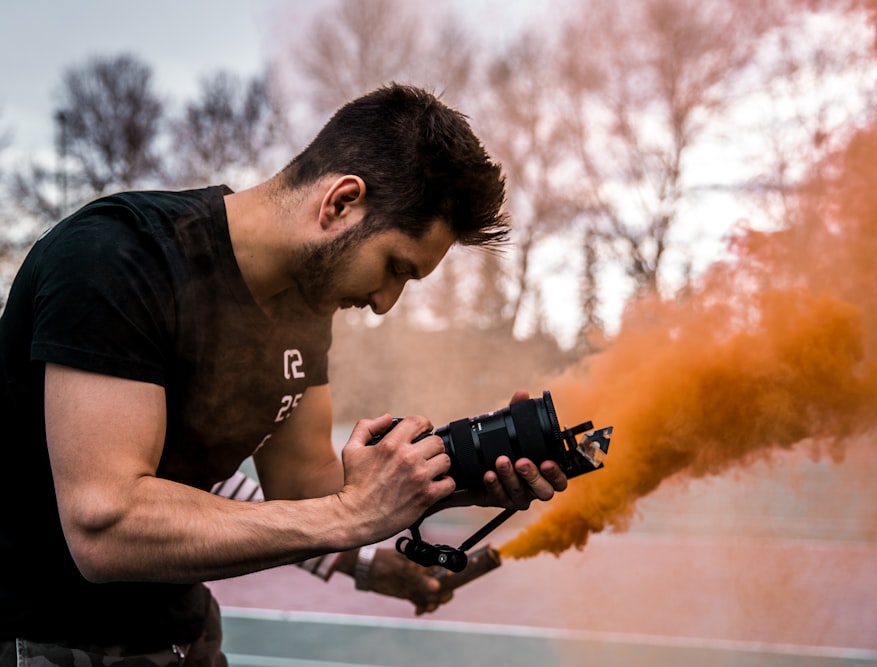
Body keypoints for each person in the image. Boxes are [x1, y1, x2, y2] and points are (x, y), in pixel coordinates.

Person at [0, 84, 567, 666]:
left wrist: (455, 473)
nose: (385, 302)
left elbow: (303, 486)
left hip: (183, 637)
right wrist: (353, 516)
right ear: (340, 203)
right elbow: (106, 527)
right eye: (395, 267)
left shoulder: (302, 306)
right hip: (47, 642)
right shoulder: (116, 258)